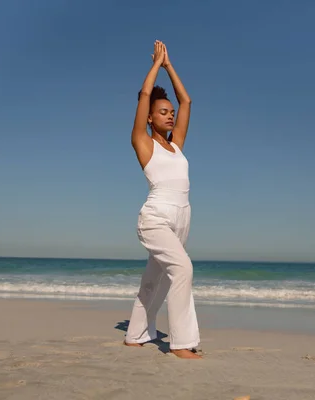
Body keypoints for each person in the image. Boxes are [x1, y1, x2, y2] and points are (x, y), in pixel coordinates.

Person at [124, 40, 201, 359]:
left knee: (155, 281)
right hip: (155, 219)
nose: (170, 116)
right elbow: (144, 96)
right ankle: (182, 344)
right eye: (163, 113)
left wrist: (170, 66)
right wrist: (156, 64)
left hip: (182, 217)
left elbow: (187, 100)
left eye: (171, 113)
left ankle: (135, 334)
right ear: (150, 119)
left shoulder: (177, 145)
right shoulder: (143, 142)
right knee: (182, 269)